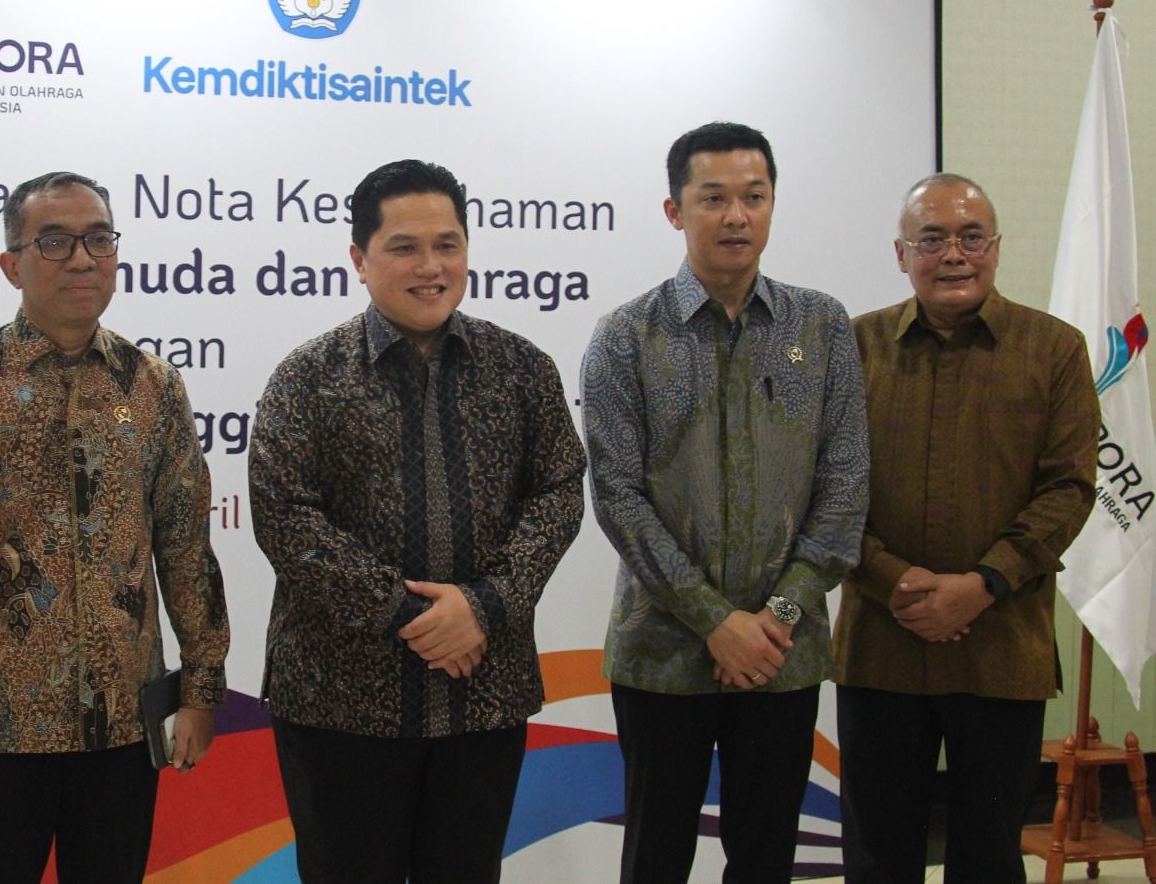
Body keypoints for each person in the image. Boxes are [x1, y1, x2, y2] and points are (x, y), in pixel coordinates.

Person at [248, 158, 586, 884]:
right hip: (340, 704)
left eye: (447, 245)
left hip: (483, 696)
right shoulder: (307, 377)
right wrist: (417, 617)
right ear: (360, 258)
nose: (431, 267)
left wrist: (484, 605)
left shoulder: (522, 369)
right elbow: (286, 519)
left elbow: (560, 491)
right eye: (404, 247)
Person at [0, 170, 229, 884]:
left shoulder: (153, 386)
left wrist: (202, 689)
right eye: (55, 241)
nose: (82, 258)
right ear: (11, 264)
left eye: (99, 239)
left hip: (123, 730)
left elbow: (184, 547)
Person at [581, 121, 869, 884]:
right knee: (656, 856)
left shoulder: (822, 326)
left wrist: (775, 618)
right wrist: (715, 621)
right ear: (675, 211)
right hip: (661, 654)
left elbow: (845, 485)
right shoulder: (625, 337)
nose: (736, 215)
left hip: (782, 652)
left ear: (773, 204)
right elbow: (618, 498)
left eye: (754, 196)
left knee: (767, 855)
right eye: (713, 198)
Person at [835, 173, 1097, 883]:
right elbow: (826, 490)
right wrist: (896, 581)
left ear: (997, 248)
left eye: (971, 237)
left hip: (1002, 647)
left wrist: (982, 585)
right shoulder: (853, 347)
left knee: (989, 857)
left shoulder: (1055, 349)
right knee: (877, 858)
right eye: (932, 238)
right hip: (881, 647)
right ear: (900, 253)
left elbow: (1069, 488)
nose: (954, 254)